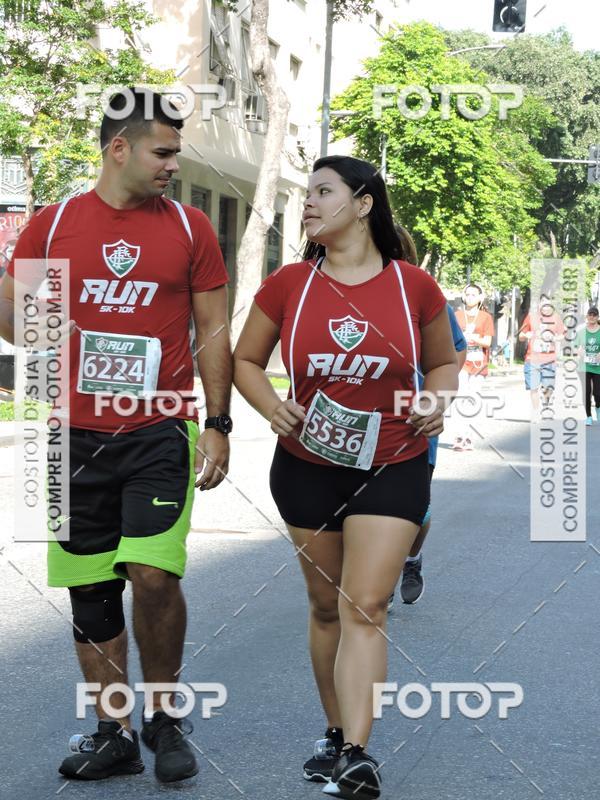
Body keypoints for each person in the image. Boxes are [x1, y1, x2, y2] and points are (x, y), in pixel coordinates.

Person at [0, 88, 232, 783]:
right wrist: (58, 336)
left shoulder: (191, 229)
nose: (172, 163)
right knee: (92, 589)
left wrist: (217, 422)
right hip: (71, 434)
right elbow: (16, 321)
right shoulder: (55, 224)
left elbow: (212, 331)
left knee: (153, 575)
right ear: (118, 148)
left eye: (175, 152)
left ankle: (162, 718)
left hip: (161, 428)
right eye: (162, 151)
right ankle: (114, 733)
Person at [233, 155, 458, 800]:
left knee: (367, 605)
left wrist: (435, 402)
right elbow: (247, 358)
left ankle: (359, 755)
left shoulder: (414, 286)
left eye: (322, 192)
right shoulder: (287, 286)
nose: (308, 203)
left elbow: (443, 365)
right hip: (307, 468)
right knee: (326, 606)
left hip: (393, 461)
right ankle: (334, 733)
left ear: (362, 204)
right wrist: (271, 404)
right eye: (306, 193)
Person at [388, 226, 467, 608]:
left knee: (414, 509)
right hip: (367, 421)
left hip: (417, 423)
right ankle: (377, 579)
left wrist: (436, 400)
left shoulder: (425, 298)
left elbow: (457, 351)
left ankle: (412, 559)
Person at [453, 284, 494, 451]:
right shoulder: (456, 315)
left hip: (478, 364)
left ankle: (469, 437)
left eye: (473, 295)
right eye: (467, 294)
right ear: (463, 297)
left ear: (480, 298)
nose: (470, 297)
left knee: (473, 400)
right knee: (460, 398)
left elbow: (488, 342)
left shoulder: (485, 317)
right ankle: (458, 437)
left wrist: (474, 338)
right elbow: (450, 338)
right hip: (461, 363)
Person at [518, 294, 565, 422]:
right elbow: (521, 335)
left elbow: (562, 335)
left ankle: (546, 405)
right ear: (539, 304)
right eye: (543, 304)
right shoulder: (531, 317)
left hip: (549, 359)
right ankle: (535, 412)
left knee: (547, 388)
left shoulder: (556, 318)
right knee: (533, 388)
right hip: (532, 359)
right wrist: (527, 335)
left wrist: (554, 338)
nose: (545, 307)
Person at [576, 306, 600, 425]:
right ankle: (588, 416)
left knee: (597, 393)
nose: (592, 317)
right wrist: (579, 351)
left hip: (598, 367)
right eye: (590, 314)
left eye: (594, 315)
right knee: (586, 392)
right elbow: (575, 346)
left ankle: (598, 409)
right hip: (583, 367)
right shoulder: (581, 332)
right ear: (587, 316)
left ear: (597, 317)